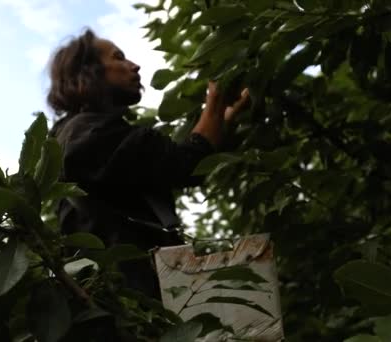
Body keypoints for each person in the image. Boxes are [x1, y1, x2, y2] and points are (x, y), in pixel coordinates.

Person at [48, 29, 249, 298]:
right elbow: (186, 164)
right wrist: (215, 98)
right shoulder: (90, 137)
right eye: (119, 58)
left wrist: (219, 117)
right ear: (87, 71)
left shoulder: (80, 134)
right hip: (130, 301)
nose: (134, 65)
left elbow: (168, 162)